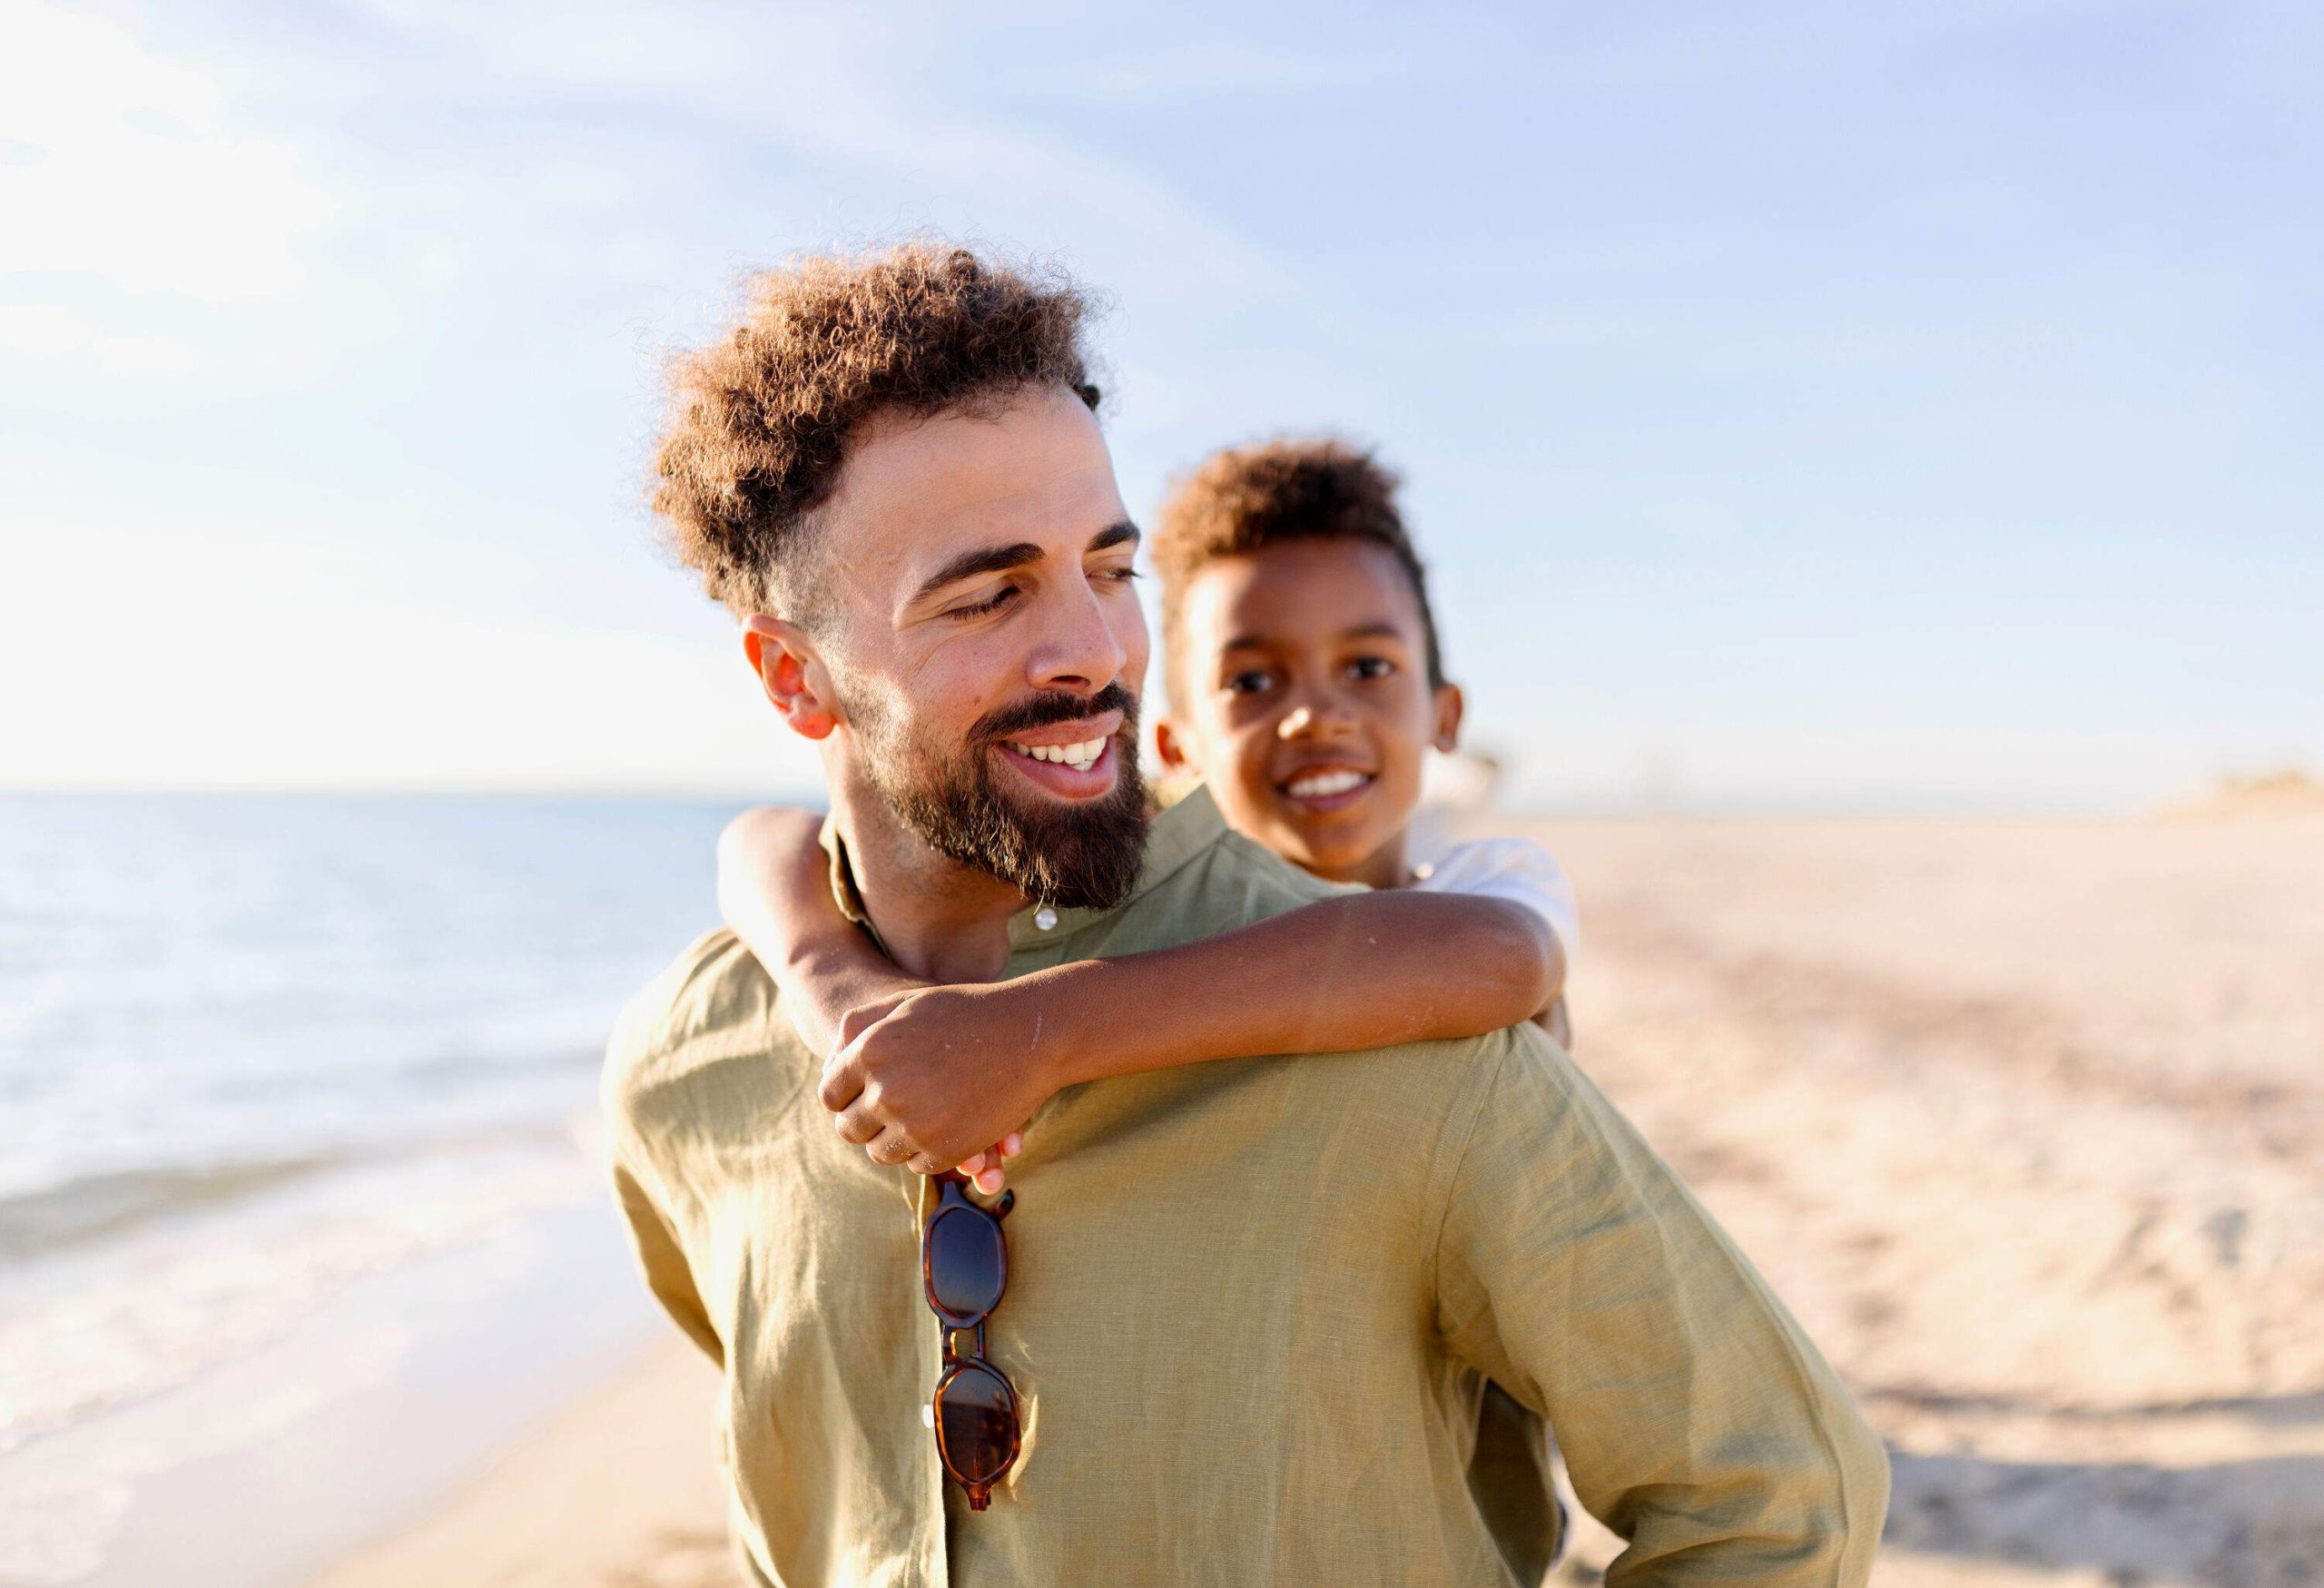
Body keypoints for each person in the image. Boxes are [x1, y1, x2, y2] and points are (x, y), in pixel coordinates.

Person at [604, 242, 1889, 1587]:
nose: (1096, 653)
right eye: (991, 594)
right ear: (794, 677)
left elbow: (1775, 1500)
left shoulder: (1405, 1041)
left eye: (1110, 570)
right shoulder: (687, 1066)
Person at [716, 435, 1583, 1578]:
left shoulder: (1476, 890)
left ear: (1445, 711)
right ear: (1167, 742)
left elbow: (1495, 958)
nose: (1312, 716)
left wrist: (1035, 1032)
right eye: (1250, 682)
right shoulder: (1152, 902)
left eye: (1367, 668)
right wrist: (837, 981)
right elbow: (761, 838)